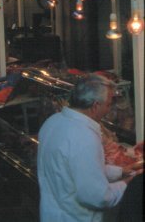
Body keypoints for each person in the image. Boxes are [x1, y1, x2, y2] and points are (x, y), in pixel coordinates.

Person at [37, 74, 143, 221]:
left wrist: (121, 171)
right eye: (108, 104)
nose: (109, 109)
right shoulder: (84, 136)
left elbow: (80, 170)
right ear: (95, 106)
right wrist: (128, 183)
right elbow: (99, 197)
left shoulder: (53, 122)